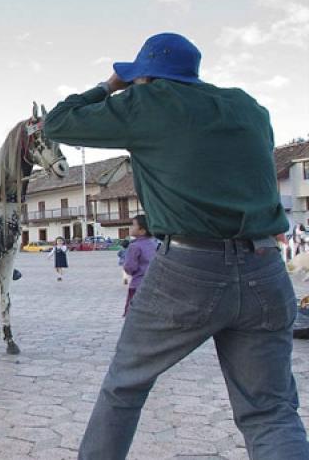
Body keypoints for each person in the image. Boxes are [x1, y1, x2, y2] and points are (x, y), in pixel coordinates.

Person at [44, 32, 308, 458]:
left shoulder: (149, 103)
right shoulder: (247, 106)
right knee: (270, 411)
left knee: (124, 387)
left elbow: (57, 122)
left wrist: (112, 84)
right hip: (265, 267)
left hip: (188, 267)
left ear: (145, 77)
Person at [122, 215, 157, 316]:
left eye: (133, 225)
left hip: (137, 285)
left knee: (133, 314)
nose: (131, 228)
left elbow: (130, 267)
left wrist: (127, 269)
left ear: (142, 230)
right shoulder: (153, 243)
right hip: (151, 284)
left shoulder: (134, 246)